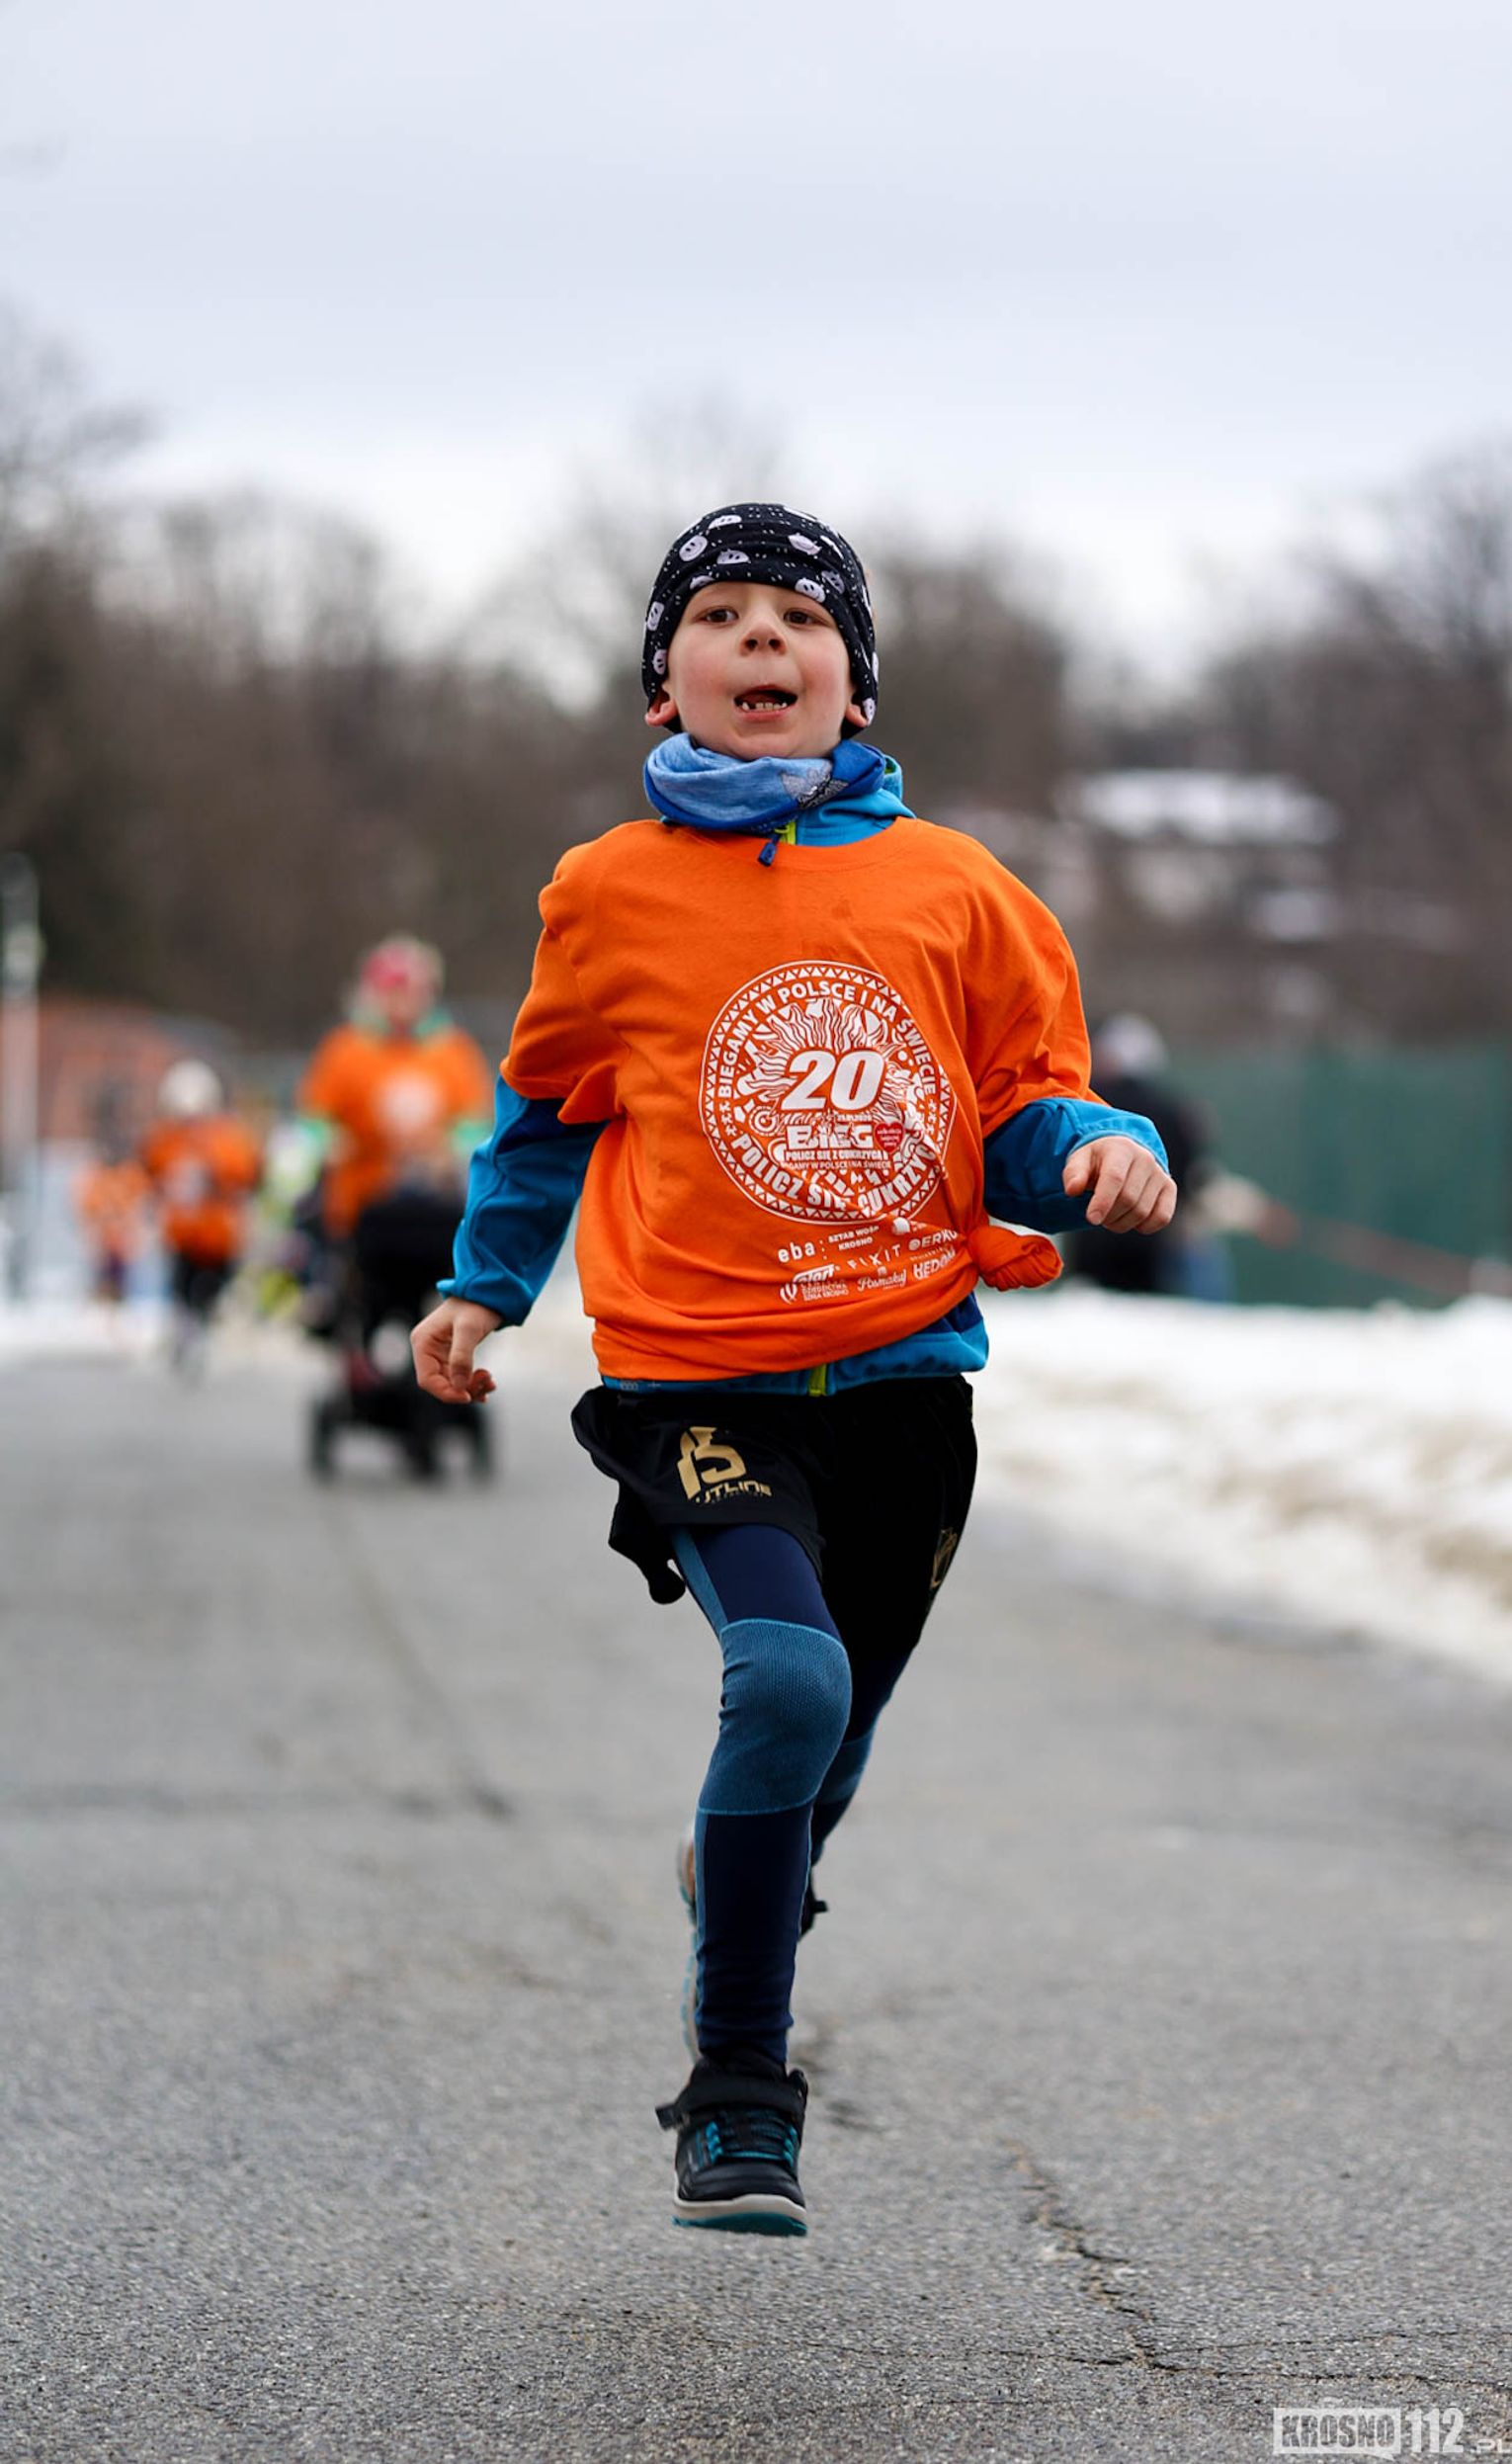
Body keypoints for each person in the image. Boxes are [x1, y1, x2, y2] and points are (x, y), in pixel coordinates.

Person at [410, 504, 1176, 2236]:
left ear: (855, 680)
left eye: (801, 616)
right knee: (789, 1684)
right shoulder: (605, 893)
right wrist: (481, 1286)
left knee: (826, 1746)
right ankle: (738, 2096)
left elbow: (1019, 1112)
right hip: (698, 1385)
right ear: (662, 683)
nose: (764, 636)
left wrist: (1103, 1150)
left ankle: (750, 1862)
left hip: (905, 1395)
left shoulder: (958, 890)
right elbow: (544, 1112)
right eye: (722, 613)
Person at [297, 937, 493, 1475]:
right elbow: (313, 1120)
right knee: (358, 1303)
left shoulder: (452, 1053)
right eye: (392, 991)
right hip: (364, 1220)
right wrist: (328, 1142)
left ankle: (435, 1392)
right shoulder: (346, 1050)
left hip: (434, 1222)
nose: (402, 1002)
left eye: (412, 990)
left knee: (439, 1302)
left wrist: (450, 1149)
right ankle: (365, 1377)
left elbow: (477, 1124)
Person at [139, 1060, 262, 1368]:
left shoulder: (225, 1138)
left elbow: (245, 1173)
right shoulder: (166, 1139)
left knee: (212, 1284)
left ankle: (201, 1322)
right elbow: (151, 1172)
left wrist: (215, 1178)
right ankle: (187, 1328)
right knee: (182, 1284)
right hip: (182, 1232)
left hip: (216, 1234)